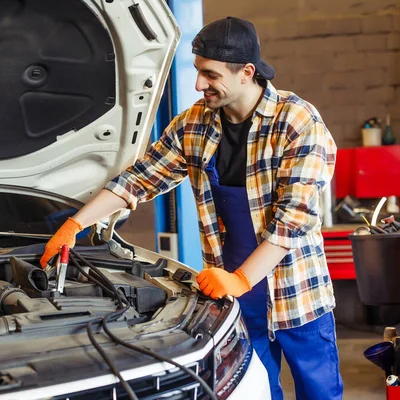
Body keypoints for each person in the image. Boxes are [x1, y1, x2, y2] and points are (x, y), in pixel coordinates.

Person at [39, 16, 343, 400]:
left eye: (209, 74)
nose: (199, 84)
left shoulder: (297, 122)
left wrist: (244, 278)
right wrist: (75, 224)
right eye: (199, 71)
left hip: (297, 292)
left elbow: (293, 220)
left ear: (246, 72)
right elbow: (140, 178)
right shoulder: (194, 124)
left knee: (319, 393)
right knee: (255, 392)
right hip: (233, 295)